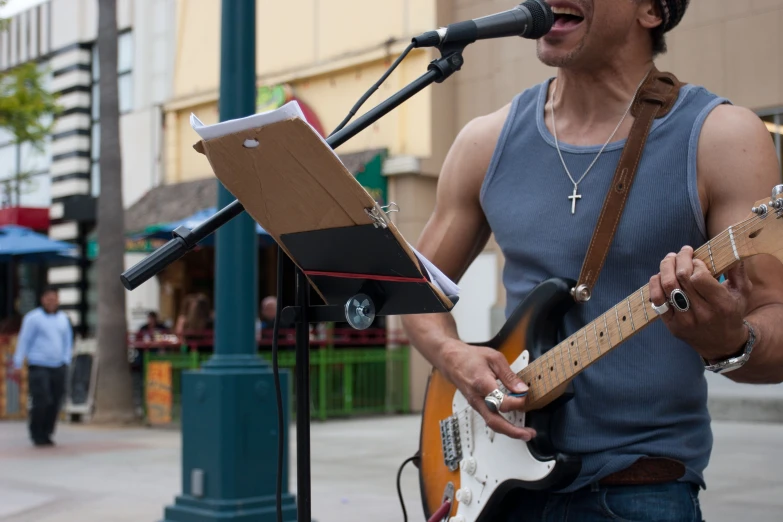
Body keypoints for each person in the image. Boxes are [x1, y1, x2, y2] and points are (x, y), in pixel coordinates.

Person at [401, 1, 783, 520]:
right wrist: (453, 355)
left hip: (638, 489)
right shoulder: (484, 142)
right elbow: (411, 288)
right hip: (494, 487)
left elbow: (774, 317)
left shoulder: (723, 137)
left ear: (652, 9)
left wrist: (731, 343)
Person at [11, 287, 73, 447]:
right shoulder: (33, 318)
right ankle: (36, 432)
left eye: (54, 299)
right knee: (42, 399)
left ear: (58, 300)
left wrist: (66, 359)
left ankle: (47, 432)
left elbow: (68, 341)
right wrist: (18, 362)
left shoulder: (63, 319)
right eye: (48, 298)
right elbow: (24, 340)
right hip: (39, 365)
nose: (51, 302)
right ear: (42, 299)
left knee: (55, 400)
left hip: (58, 365)